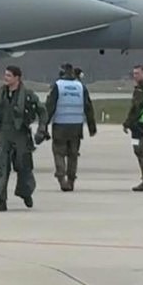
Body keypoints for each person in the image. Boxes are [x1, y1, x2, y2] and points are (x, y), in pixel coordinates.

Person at [0, 65, 48, 211]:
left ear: (17, 78)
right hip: (3, 134)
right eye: (5, 75)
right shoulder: (0, 94)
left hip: (20, 134)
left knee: (24, 167)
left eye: (9, 75)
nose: (5, 78)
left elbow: (42, 111)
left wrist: (42, 128)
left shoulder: (28, 95)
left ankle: (26, 192)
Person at [44, 62, 97, 191]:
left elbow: (50, 107)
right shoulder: (80, 86)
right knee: (73, 155)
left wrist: (43, 125)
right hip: (76, 126)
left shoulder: (58, 86)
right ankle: (71, 180)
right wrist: (92, 126)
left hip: (60, 125)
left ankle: (62, 178)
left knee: (59, 153)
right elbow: (88, 107)